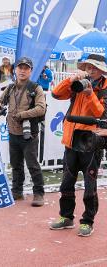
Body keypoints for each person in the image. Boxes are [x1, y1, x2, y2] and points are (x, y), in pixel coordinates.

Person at [49, 54, 107, 237]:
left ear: (102, 70)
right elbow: (56, 93)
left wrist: (90, 94)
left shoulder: (104, 88)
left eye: (94, 68)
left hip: (91, 142)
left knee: (89, 185)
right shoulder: (78, 83)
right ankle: (66, 217)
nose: (90, 71)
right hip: (71, 140)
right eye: (88, 68)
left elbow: (100, 112)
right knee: (67, 182)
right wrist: (71, 79)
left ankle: (88, 221)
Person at [0, 57, 46, 206]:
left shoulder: (36, 88)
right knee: (15, 165)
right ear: (15, 70)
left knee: (32, 164)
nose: (22, 71)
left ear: (30, 71)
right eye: (20, 68)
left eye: (26, 68)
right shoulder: (10, 88)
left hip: (29, 133)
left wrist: (23, 115)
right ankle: (17, 192)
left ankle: (39, 193)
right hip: (13, 132)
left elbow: (41, 108)